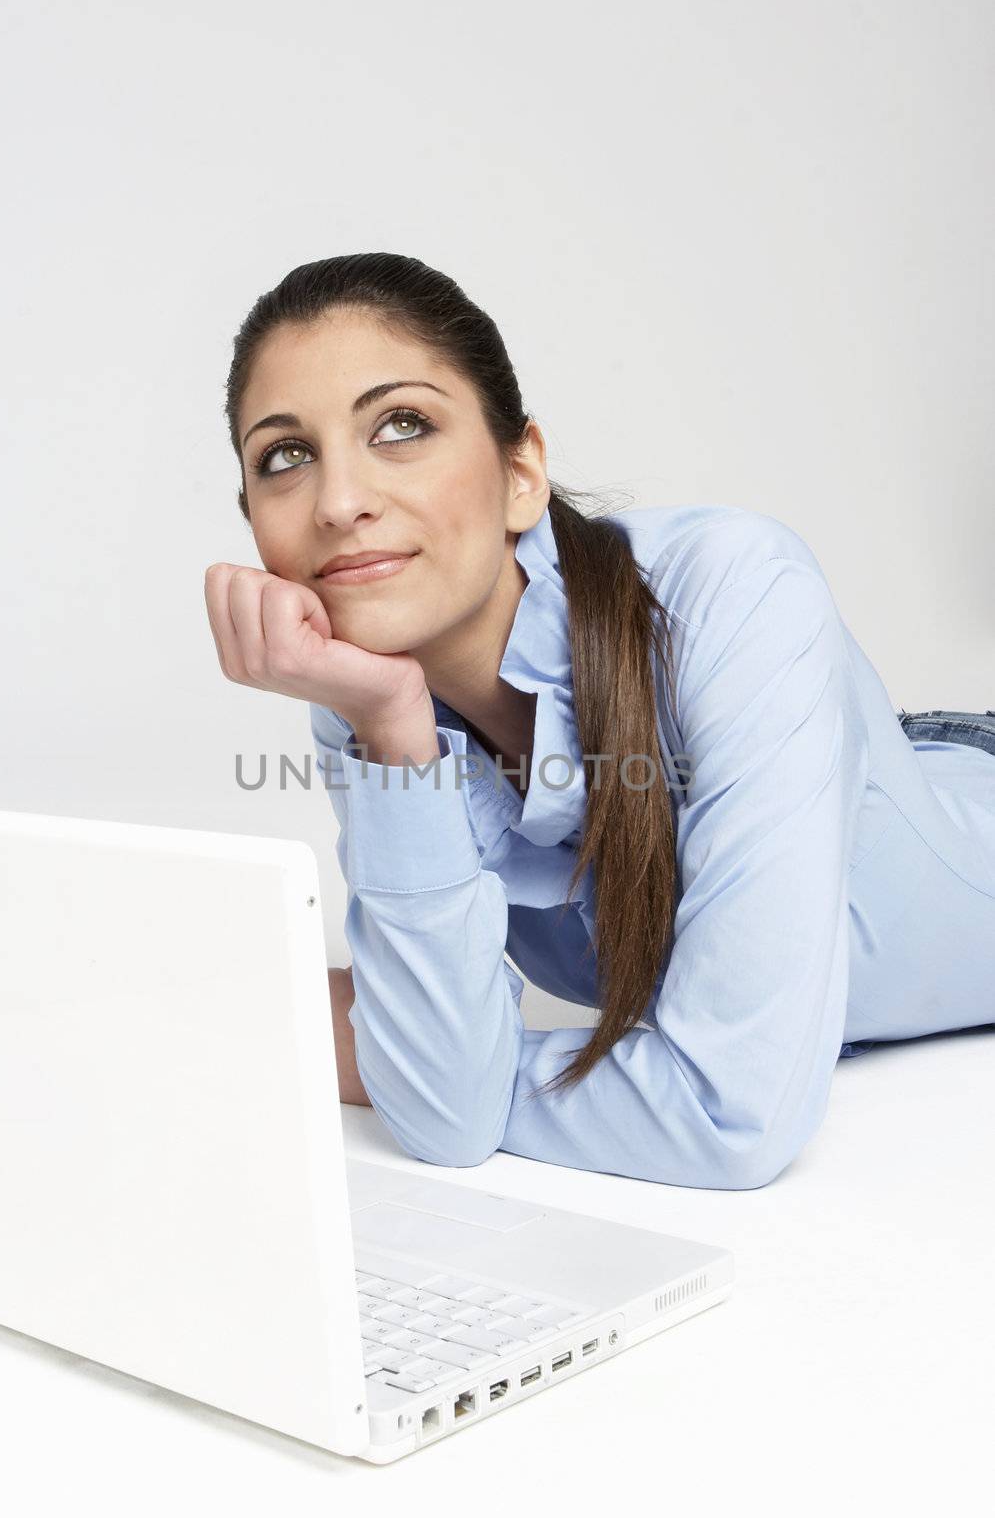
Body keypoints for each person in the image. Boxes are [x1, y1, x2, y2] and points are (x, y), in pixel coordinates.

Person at [205, 252, 995, 1191]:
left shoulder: (727, 590)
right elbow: (444, 1121)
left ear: (521, 472)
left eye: (401, 425)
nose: (339, 503)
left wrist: (435, 1058)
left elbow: (729, 1115)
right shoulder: (371, 703)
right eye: (284, 456)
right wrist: (388, 724)